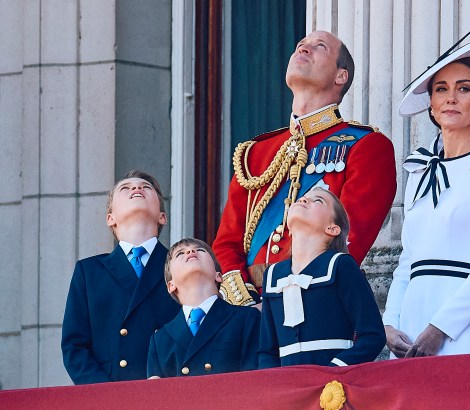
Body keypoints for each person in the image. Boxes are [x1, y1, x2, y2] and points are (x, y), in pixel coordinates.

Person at [213, 30, 397, 307]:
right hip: (249, 312)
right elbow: (227, 242)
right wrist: (246, 304)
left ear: (340, 76)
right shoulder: (255, 153)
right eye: (300, 45)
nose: (303, 49)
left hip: (314, 304)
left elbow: (350, 239)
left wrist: (289, 298)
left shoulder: (366, 146)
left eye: (319, 46)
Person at [383, 33, 470, 357]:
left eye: (464, 88)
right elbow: (407, 261)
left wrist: (441, 327)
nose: (451, 98)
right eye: (441, 89)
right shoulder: (418, 169)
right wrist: (390, 324)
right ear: (431, 105)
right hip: (409, 324)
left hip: (460, 326)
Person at [61, 170, 181, 384]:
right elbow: (75, 346)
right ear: (110, 218)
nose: (136, 188)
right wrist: (104, 393)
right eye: (125, 188)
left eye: (146, 187)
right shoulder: (89, 272)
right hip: (110, 398)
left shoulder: (181, 265)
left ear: (162, 216)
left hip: (168, 395)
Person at [258, 185, 385, 367]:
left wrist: (335, 371)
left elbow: (373, 335)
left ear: (332, 229)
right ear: (290, 230)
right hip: (287, 387)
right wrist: (275, 385)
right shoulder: (272, 276)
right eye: (302, 198)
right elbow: (267, 349)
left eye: (317, 200)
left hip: (333, 387)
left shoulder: (340, 265)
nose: (302, 200)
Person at [147, 238, 260, 377]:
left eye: (200, 250)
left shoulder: (247, 318)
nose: (190, 251)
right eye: (180, 254)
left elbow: (254, 381)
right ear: (171, 285)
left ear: (218, 276)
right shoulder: (160, 340)